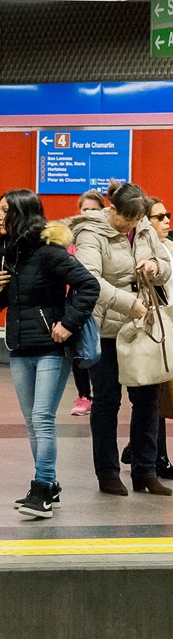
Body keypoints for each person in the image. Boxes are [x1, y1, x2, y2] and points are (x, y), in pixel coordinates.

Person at [0, 189, 98, 518]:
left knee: (42, 420)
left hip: (50, 348)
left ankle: (42, 487)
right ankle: (50, 485)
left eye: (6, 211)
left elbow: (89, 285)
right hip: (19, 349)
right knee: (32, 423)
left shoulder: (49, 253)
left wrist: (68, 324)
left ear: (24, 213)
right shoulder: (8, 255)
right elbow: (7, 302)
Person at [71, 181, 173, 495]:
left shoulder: (143, 225)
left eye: (136, 219)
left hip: (144, 327)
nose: (131, 224)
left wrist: (154, 266)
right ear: (112, 209)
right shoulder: (91, 232)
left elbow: (167, 263)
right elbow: (89, 279)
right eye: (125, 218)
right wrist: (128, 304)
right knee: (107, 402)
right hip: (107, 330)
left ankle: (145, 471)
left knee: (147, 401)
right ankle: (108, 473)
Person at [140, 198, 173, 479]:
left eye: (167, 215)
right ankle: (158, 456)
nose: (166, 221)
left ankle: (140, 447)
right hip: (158, 330)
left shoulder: (171, 249)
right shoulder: (144, 252)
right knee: (157, 395)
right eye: (159, 217)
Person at [69, 190, 106, 417]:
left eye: (95, 210)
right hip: (75, 304)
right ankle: (84, 396)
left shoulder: (108, 238)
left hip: (100, 306)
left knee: (97, 352)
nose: (90, 214)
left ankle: (100, 395)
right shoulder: (69, 239)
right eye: (86, 210)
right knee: (78, 353)